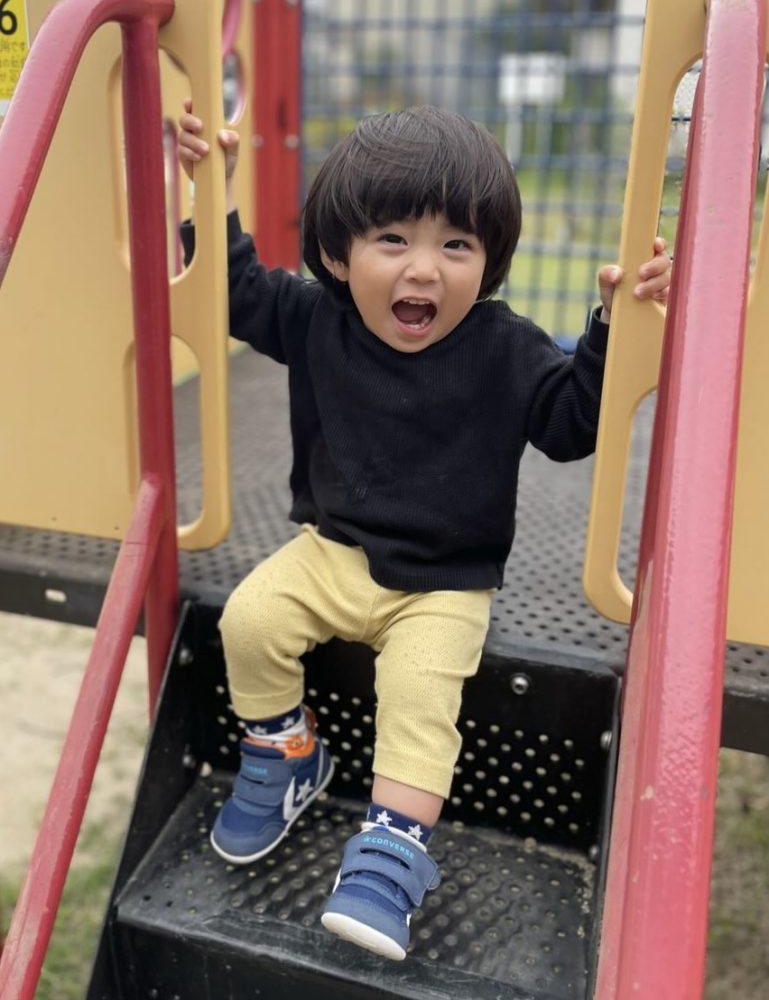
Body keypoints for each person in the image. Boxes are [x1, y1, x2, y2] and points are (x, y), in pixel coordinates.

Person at [177, 100, 670, 961]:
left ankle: (390, 853)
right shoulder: (316, 319)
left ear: (488, 262)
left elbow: (568, 426)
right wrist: (205, 184)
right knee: (249, 619)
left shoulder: (503, 346)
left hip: (446, 581)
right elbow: (234, 289)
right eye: (393, 239)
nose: (424, 268)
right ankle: (287, 753)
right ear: (339, 255)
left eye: (456, 244)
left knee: (416, 694)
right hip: (331, 552)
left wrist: (609, 331)